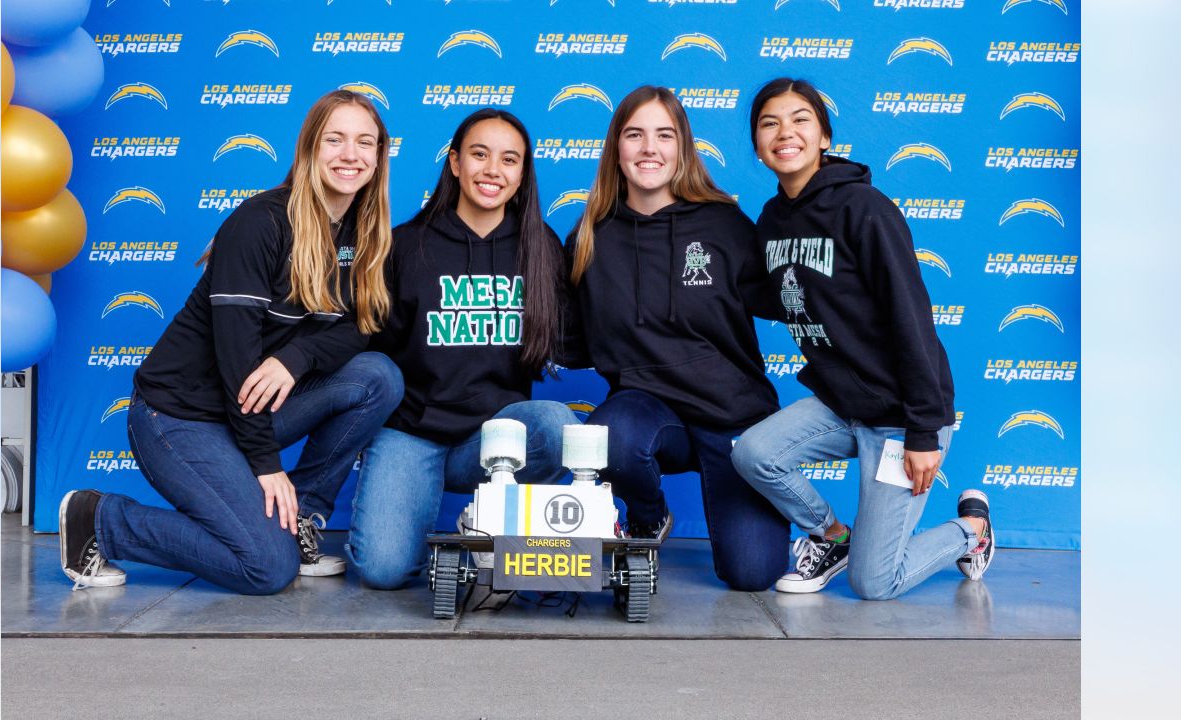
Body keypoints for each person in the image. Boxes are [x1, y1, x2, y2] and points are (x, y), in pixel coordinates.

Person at [59, 90, 404, 595]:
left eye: (364, 142)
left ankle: (300, 520)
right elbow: (238, 361)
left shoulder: (366, 232)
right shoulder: (260, 222)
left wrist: (297, 356)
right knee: (267, 568)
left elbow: (364, 326)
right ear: (309, 147)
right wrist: (266, 466)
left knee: (378, 376)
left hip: (248, 407)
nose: (350, 155)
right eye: (335, 139)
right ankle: (102, 519)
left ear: (378, 156)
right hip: (179, 417)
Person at [731, 77, 994, 600]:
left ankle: (972, 531)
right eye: (769, 123)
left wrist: (922, 432)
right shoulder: (773, 217)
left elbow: (911, 318)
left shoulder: (864, 209)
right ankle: (833, 537)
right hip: (841, 402)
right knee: (753, 452)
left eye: (800, 119)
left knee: (875, 584)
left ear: (824, 136)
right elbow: (770, 296)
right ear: (759, 148)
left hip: (901, 415)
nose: (786, 132)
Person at [565, 86, 788, 592]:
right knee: (611, 436)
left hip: (733, 419)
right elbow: (565, 336)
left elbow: (786, 297)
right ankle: (648, 518)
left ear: (682, 147)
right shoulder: (590, 236)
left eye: (664, 135)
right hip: (649, 413)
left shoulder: (723, 223)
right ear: (616, 149)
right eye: (635, 134)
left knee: (753, 574)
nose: (650, 148)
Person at [347, 108, 578, 590]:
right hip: (412, 432)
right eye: (479, 154)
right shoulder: (406, 246)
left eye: (509, 159)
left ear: (522, 173)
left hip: (496, 438)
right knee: (383, 571)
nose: (493, 170)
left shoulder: (540, 247)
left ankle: (488, 521)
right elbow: (370, 351)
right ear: (454, 163)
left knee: (558, 425)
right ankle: (406, 496)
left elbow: (575, 339)